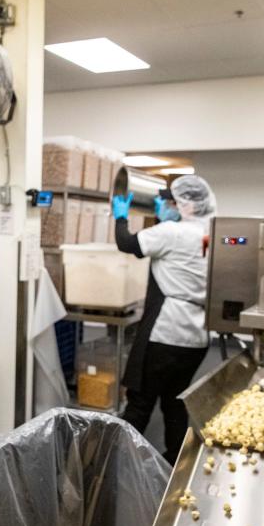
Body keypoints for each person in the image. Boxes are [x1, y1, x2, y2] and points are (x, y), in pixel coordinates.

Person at [111, 175, 215, 463]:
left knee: (140, 401)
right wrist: (164, 219)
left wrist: (120, 218)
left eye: (171, 201)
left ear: (182, 204)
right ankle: (175, 463)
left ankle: (118, 462)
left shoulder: (171, 232)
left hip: (166, 332)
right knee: (175, 402)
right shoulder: (210, 232)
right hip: (196, 336)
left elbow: (127, 244)